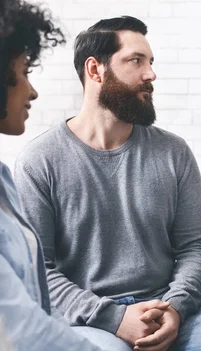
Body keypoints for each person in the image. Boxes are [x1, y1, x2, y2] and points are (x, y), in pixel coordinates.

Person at [13, 15, 201, 351]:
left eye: (150, 62)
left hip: (169, 309)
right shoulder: (40, 161)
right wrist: (114, 319)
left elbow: (195, 247)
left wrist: (176, 309)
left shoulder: (174, 152)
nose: (150, 74)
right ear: (95, 70)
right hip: (88, 320)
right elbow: (38, 270)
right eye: (135, 61)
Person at [0, 0, 103, 349]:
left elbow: (41, 308)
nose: (32, 91)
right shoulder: (38, 161)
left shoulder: (3, 180)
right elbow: (21, 327)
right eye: (25, 71)